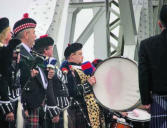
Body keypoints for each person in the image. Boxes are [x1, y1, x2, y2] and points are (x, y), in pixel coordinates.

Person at [13, 13, 54, 128]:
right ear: (26, 34)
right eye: (34, 32)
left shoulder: (32, 54)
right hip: (29, 105)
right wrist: (25, 106)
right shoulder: (18, 53)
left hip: (39, 104)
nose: (35, 36)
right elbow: (18, 81)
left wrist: (47, 74)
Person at [60, 43, 105, 128]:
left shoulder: (84, 68)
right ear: (72, 56)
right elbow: (71, 91)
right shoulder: (67, 71)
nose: (82, 56)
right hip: (80, 112)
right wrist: (88, 84)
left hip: (94, 110)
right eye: (80, 54)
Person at [138, 5, 167, 128]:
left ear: (160, 24)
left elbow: (143, 74)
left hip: (160, 101)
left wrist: (146, 100)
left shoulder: (146, 45)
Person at [33, 34, 69, 128]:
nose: (53, 50)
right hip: (52, 109)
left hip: (61, 107)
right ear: (45, 50)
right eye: (51, 48)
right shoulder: (44, 65)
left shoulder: (52, 64)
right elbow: (49, 87)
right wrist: (53, 110)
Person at [0, 17, 21, 128]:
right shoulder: (2, 52)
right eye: (9, 32)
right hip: (3, 101)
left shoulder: (4, 50)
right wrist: (7, 108)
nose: (11, 34)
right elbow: (2, 78)